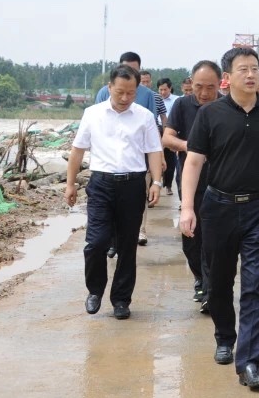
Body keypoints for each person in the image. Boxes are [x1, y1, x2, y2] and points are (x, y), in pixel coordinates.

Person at [181, 47, 259, 391]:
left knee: (255, 285)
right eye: (243, 69)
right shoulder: (210, 114)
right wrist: (187, 207)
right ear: (228, 78)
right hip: (218, 208)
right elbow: (194, 162)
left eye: (255, 68)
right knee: (218, 281)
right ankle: (224, 336)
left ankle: (250, 362)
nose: (251, 75)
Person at [65, 64, 163, 320]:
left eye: (131, 93)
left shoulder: (144, 116)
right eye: (120, 92)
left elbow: (154, 151)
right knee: (96, 242)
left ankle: (121, 299)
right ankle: (95, 290)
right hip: (101, 184)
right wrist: (70, 183)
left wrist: (156, 183)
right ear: (109, 88)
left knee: (128, 246)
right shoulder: (93, 114)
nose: (125, 98)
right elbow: (77, 150)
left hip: (132, 185)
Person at [163, 61, 220, 310]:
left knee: (214, 238)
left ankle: (210, 289)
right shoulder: (182, 105)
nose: (205, 93)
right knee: (191, 238)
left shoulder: (227, 106)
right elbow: (167, 137)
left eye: (210, 87)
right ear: (190, 84)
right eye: (199, 86)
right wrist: (192, 147)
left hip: (220, 182)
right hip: (190, 181)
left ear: (220, 84)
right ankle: (199, 277)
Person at [95, 53, 159, 248]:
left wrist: (157, 175)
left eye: (134, 69)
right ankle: (113, 239)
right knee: (98, 238)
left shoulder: (148, 96)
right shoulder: (101, 97)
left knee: (135, 212)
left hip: (136, 168)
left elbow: (153, 135)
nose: (125, 98)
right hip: (105, 173)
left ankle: (139, 230)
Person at [157, 78, 178, 195]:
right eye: (160, 90)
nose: (162, 92)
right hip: (157, 130)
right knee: (156, 158)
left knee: (170, 160)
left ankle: (168, 185)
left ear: (170, 88)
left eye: (165, 89)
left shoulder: (177, 100)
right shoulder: (155, 99)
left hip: (171, 131)